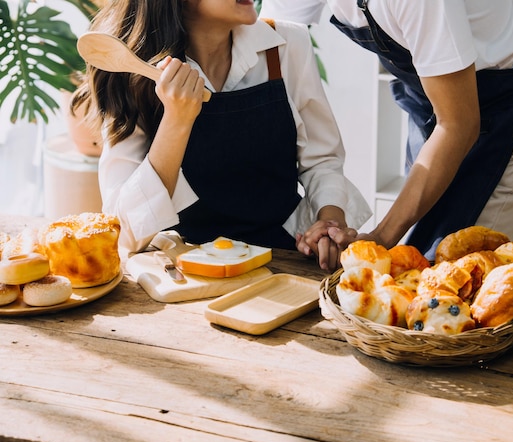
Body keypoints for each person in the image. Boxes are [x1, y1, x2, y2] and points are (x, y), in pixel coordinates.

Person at [72, 0, 371, 270]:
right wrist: (176, 120)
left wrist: (329, 223)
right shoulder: (133, 73)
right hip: (183, 274)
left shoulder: (286, 46)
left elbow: (322, 162)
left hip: (283, 264)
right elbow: (124, 232)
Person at [261, 0, 513, 260]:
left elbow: (459, 125)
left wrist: (380, 237)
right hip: (440, 115)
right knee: (416, 266)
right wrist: (329, 218)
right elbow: (270, 42)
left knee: (454, 284)